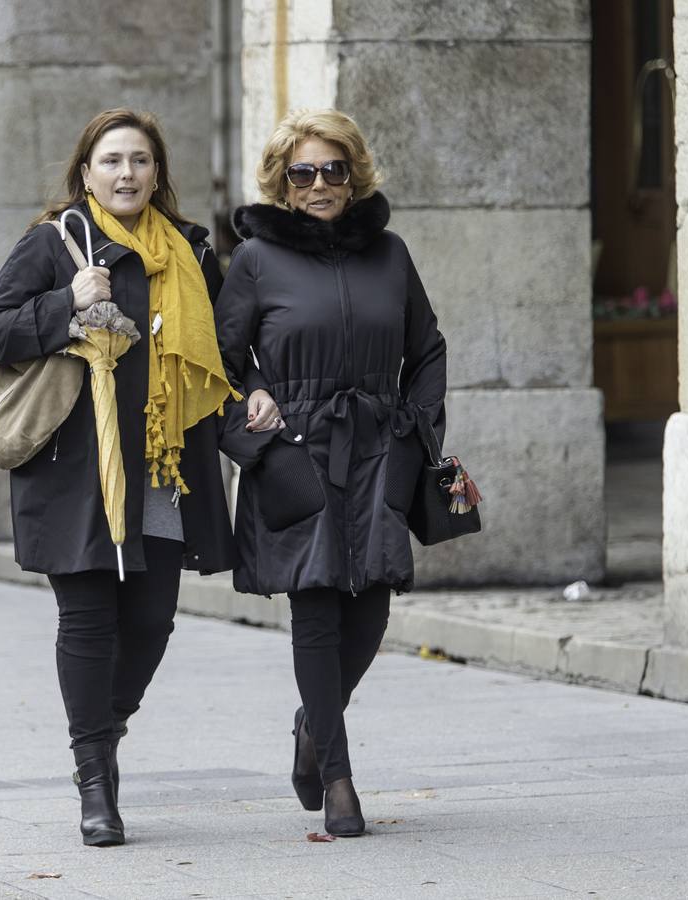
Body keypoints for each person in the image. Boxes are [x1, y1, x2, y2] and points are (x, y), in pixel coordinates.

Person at [0, 109, 277, 847]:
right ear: (86, 173)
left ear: (157, 173)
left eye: (139, 161)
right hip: (78, 471)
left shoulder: (194, 252)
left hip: (166, 468)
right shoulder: (55, 244)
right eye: (111, 161)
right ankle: (95, 785)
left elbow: (228, 345)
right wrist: (64, 304)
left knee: (151, 620)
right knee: (86, 618)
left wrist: (257, 383)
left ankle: (102, 735)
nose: (126, 174)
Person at [216, 108, 448, 837]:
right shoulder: (255, 260)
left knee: (372, 606)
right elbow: (218, 367)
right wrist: (256, 413)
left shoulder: (391, 253)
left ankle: (314, 724)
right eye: (304, 172)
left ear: (354, 175)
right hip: (295, 449)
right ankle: (340, 779)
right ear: (284, 183)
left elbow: (429, 347)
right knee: (315, 605)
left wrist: (418, 427)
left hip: (379, 446)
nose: (320, 184)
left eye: (333, 170)